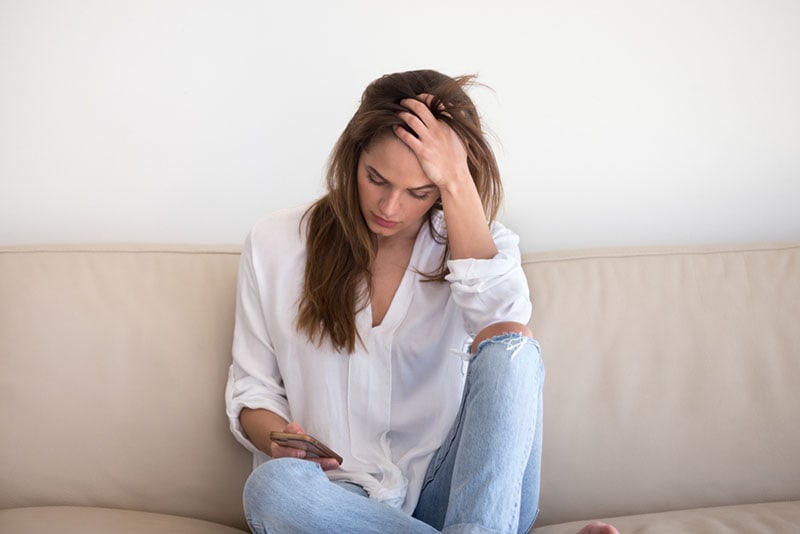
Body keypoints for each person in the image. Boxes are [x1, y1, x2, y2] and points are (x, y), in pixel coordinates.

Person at [225, 69, 618, 534]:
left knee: (512, 345)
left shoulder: (478, 247)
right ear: (353, 156)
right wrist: (278, 438)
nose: (390, 208)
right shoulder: (277, 243)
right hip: (341, 501)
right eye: (376, 179)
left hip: (462, 494)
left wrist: (455, 178)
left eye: (419, 191)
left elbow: (505, 335)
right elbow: (254, 391)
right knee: (272, 490)